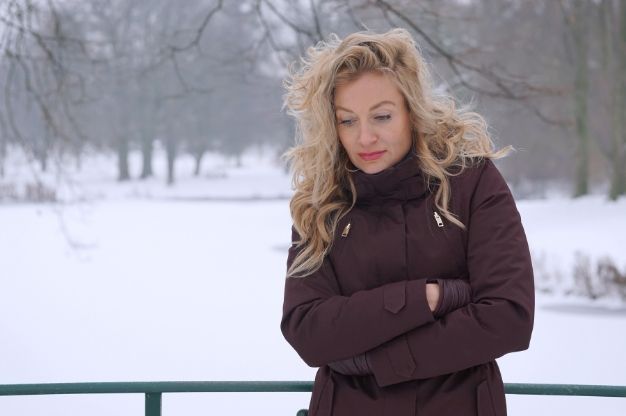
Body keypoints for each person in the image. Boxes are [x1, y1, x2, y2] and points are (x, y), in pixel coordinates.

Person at [279, 27, 534, 416]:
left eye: (381, 116)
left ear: (412, 110)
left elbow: (508, 316)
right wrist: (434, 297)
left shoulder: (471, 182)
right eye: (347, 121)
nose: (365, 137)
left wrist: (372, 363)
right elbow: (308, 330)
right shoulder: (321, 204)